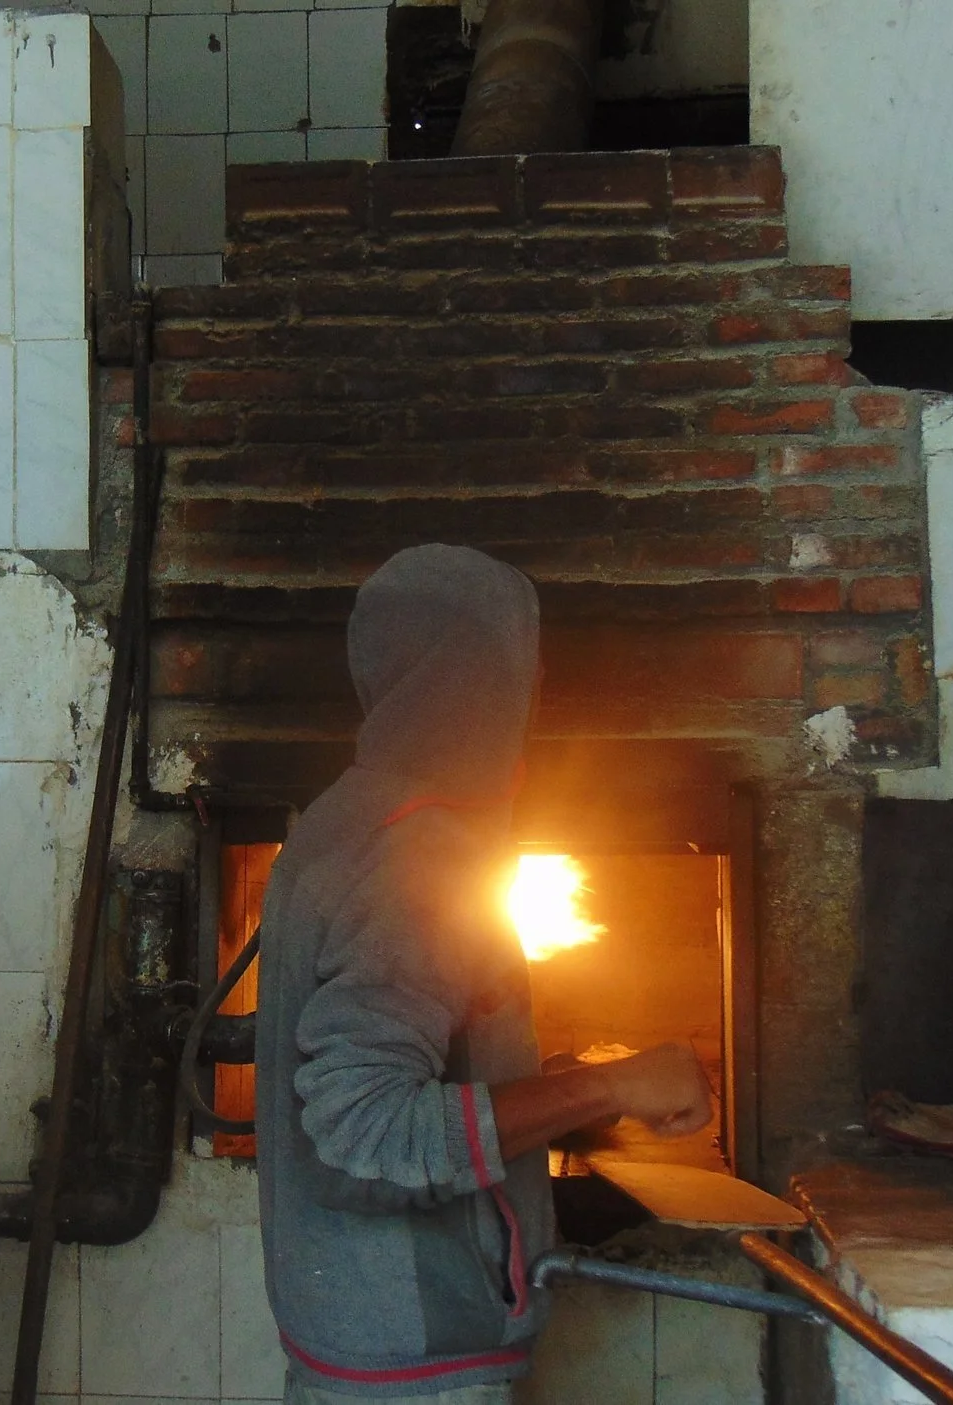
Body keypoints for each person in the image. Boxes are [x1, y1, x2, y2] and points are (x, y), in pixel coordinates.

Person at [254, 543, 713, 1402]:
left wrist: (560, 1087)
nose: (535, 697)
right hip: (416, 1356)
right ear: (481, 680)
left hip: (359, 1330)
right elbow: (362, 1137)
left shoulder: (341, 814)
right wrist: (611, 1086)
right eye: (526, 672)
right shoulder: (421, 851)